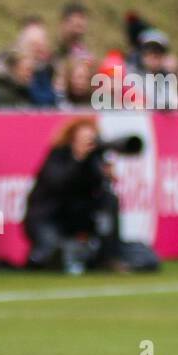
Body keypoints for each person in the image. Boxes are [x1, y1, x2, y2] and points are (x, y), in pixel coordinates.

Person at [24, 117, 125, 273]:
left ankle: (109, 256)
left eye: (91, 140)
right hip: (49, 218)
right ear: (71, 140)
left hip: (76, 219)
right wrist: (78, 159)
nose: (88, 145)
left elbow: (96, 195)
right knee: (51, 253)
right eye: (83, 140)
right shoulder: (57, 157)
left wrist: (105, 176)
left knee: (110, 199)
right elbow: (59, 183)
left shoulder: (95, 160)